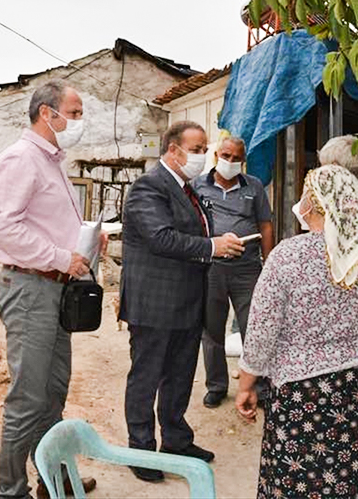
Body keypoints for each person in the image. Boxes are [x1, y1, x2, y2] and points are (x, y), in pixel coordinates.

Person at [236, 165, 358, 499]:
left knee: (297, 475)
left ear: (313, 204)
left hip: (300, 388)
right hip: (356, 382)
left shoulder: (287, 255)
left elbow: (261, 331)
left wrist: (246, 384)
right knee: (350, 470)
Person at [0, 80, 103, 499]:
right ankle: (11, 489)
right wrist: (60, 257)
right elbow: (5, 229)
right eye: (73, 113)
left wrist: (88, 238)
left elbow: (43, 221)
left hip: (55, 289)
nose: (78, 121)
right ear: (46, 114)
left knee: (53, 391)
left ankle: (53, 479)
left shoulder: (51, 159)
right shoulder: (21, 159)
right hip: (30, 287)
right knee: (28, 398)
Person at [119, 120, 246, 483]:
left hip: (188, 301)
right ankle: (140, 449)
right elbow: (162, 238)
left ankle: (175, 440)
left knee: (179, 376)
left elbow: (192, 234)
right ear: (172, 151)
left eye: (204, 149)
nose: (202, 156)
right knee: (146, 377)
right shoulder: (149, 186)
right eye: (196, 149)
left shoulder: (187, 189)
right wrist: (212, 247)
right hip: (155, 302)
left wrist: (219, 242)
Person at [192, 136, 274, 409]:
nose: (229, 162)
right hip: (211, 267)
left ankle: (259, 388)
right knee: (212, 330)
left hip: (247, 269)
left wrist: (269, 263)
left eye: (236, 158)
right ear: (216, 156)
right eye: (225, 155)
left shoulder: (255, 187)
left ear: (243, 161)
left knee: (255, 329)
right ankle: (216, 386)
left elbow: (265, 225)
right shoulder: (197, 186)